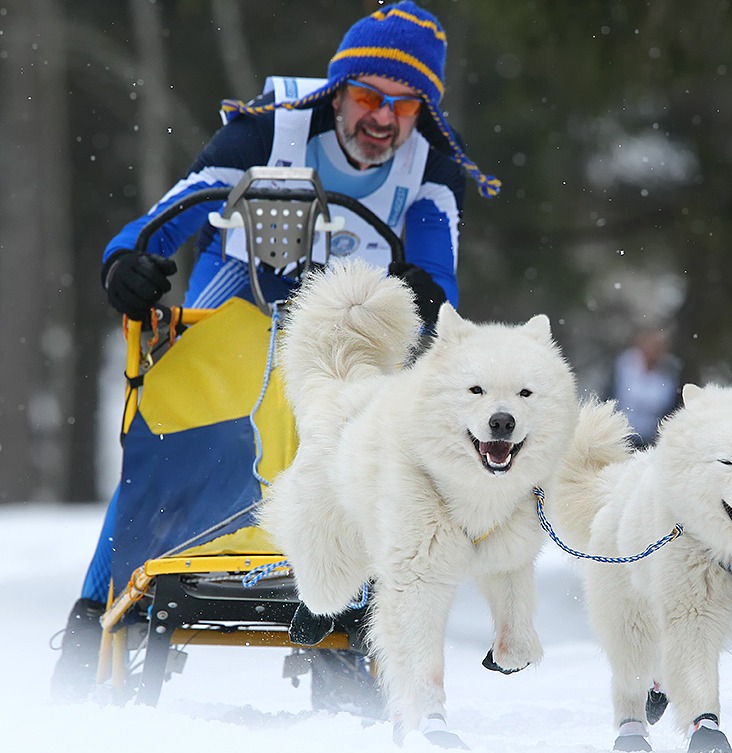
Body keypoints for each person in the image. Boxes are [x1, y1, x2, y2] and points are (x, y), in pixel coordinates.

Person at [51, 1, 498, 700]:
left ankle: (348, 619)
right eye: (368, 98)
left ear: (425, 113)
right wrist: (125, 266)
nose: (384, 119)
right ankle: (92, 616)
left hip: (347, 319)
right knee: (185, 425)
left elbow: (437, 277)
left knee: (352, 436)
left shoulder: (433, 165)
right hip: (242, 290)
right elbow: (160, 222)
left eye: (405, 105)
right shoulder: (269, 129)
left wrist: (422, 294)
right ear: (337, 91)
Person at [608, 328, 682, 448]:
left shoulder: (668, 375)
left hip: (649, 437)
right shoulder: (624, 366)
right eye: (652, 346)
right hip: (620, 431)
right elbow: (610, 396)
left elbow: (669, 409)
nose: (655, 351)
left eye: (659, 347)